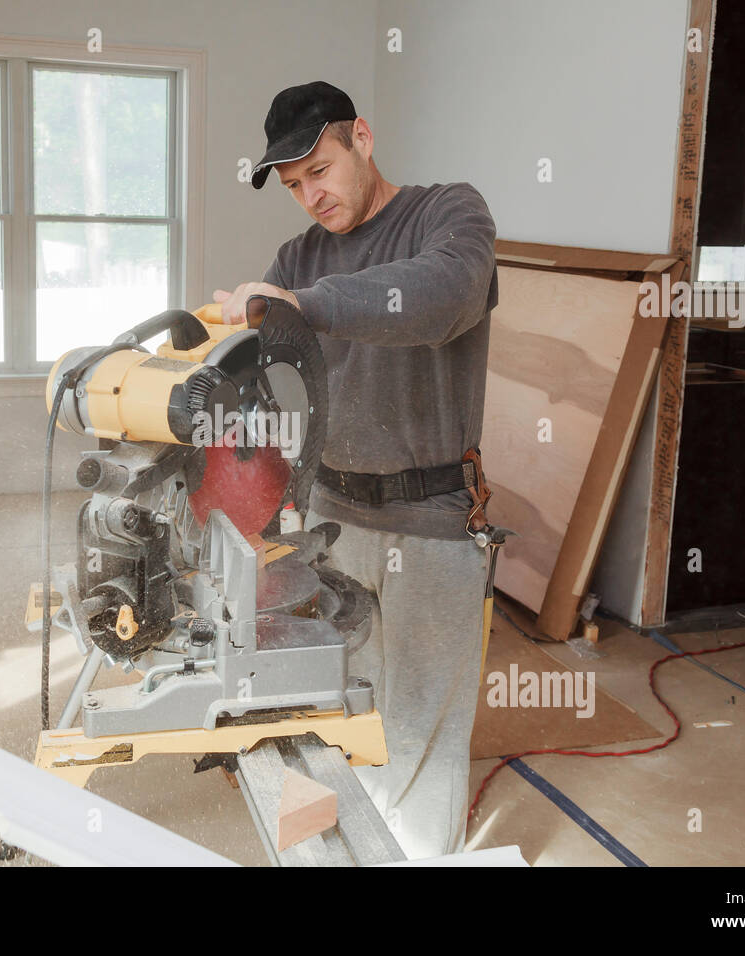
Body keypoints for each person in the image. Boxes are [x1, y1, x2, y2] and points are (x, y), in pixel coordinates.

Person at [213, 81, 499, 859]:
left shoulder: (448, 215)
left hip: (430, 520)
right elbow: (272, 386)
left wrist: (303, 306)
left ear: (362, 138)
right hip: (335, 518)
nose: (311, 195)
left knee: (421, 734)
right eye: (294, 184)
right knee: (350, 710)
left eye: (321, 169)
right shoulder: (298, 257)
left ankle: (427, 858)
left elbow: (441, 298)